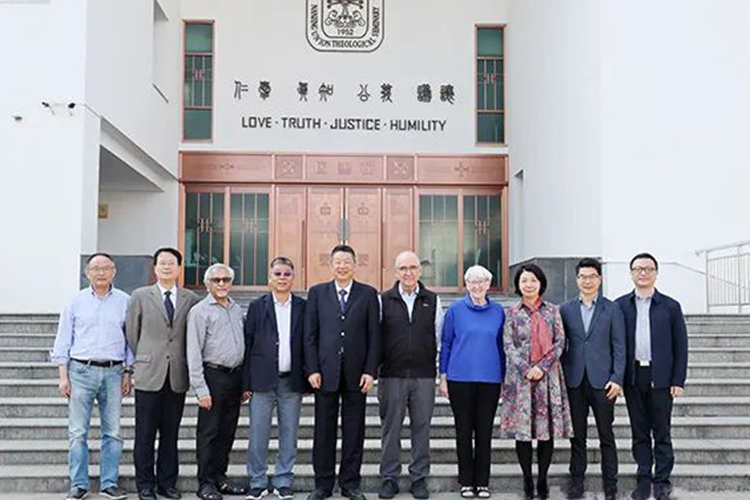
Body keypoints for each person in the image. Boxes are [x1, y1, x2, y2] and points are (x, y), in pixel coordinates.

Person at [51, 253, 133, 500]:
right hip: (80, 371)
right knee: (78, 432)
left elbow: (131, 340)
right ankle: (79, 484)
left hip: (114, 372)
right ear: (87, 272)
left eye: (105, 268)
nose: (100, 273)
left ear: (114, 271)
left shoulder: (125, 301)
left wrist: (128, 372)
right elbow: (63, 339)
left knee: (113, 432)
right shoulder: (75, 302)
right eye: (96, 268)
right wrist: (63, 376)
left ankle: (109, 483)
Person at [304, 245, 380, 500]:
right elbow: (310, 336)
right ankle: (322, 485)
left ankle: (350, 484)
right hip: (325, 374)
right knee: (323, 432)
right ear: (331, 264)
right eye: (338, 261)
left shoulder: (368, 294)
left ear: (354, 264)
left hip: (357, 375)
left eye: (347, 261)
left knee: (354, 431)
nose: (342, 266)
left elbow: (374, 337)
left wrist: (371, 371)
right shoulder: (317, 293)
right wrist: (312, 368)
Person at [126, 247, 201, 500]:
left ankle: (167, 484)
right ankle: (145, 485)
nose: (167, 267)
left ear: (179, 268)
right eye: (162, 263)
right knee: (144, 434)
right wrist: (145, 357)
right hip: (149, 373)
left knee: (170, 434)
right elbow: (132, 333)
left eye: (172, 263)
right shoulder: (139, 295)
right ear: (155, 268)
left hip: (177, 375)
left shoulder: (190, 298)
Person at [616, 253, 688, 500]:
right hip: (633, 376)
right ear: (631, 273)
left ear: (656, 273)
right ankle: (644, 478)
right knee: (639, 431)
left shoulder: (670, 306)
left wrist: (678, 380)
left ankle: (662, 480)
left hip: (661, 378)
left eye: (648, 269)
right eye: (638, 269)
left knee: (661, 431)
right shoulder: (621, 306)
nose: (643, 273)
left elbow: (681, 346)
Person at [498, 264, 572, 500]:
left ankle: (542, 478)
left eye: (532, 280)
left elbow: (560, 342)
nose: (528, 285)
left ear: (540, 283)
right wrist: (526, 368)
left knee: (544, 431)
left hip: (547, 378)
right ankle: (527, 478)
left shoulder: (552, 311)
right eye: (523, 281)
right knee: (523, 432)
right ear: (518, 285)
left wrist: (541, 367)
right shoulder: (511, 313)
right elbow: (507, 344)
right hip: (520, 381)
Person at [378, 251, 444, 500]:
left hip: (423, 376)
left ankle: (418, 477)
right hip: (391, 375)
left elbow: (439, 338)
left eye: (413, 267)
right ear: (396, 272)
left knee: (421, 428)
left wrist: (437, 370)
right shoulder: (383, 300)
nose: (408, 273)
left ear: (420, 270)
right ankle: (389, 478)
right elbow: (376, 337)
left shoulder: (432, 300)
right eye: (403, 268)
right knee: (390, 429)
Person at [560, 258, 625, 500]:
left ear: (599, 279)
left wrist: (617, 379)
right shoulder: (565, 309)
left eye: (592, 276)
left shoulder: (612, 309)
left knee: (606, 435)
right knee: (577, 436)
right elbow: (561, 346)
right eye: (583, 276)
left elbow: (620, 346)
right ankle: (577, 480)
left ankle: (611, 482)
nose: (587, 281)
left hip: (604, 383)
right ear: (576, 279)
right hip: (574, 381)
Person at [438, 265, 505, 500]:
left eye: (481, 282)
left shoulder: (499, 311)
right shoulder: (455, 311)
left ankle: (482, 482)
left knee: (484, 432)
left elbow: (501, 347)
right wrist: (443, 376)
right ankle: (466, 482)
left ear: (489, 284)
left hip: (490, 379)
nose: (477, 286)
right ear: (466, 285)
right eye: (472, 282)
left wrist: (504, 378)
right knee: (463, 431)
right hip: (459, 379)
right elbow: (446, 344)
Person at [243, 257, 307, 500]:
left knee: (289, 434)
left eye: (287, 274)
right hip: (261, 382)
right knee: (258, 435)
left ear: (293, 277)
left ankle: (283, 480)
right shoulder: (257, 306)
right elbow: (247, 345)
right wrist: (246, 383)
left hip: (291, 382)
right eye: (278, 273)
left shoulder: (303, 306)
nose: (282, 278)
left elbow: (308, 342)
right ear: (270, 277)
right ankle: (257, 481)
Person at [187, 264, 248, 500]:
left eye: (225, 280)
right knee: (209, 433)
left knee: (227, 432)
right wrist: (201, 389)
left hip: (235, 377)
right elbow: (193, 352)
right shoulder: (199, 312)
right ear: (207, 284)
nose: (221, 284)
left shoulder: (235, 308)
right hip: (213, 376)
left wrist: (244, 383)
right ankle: (205, 483)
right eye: (216, 280)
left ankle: (220, 477)